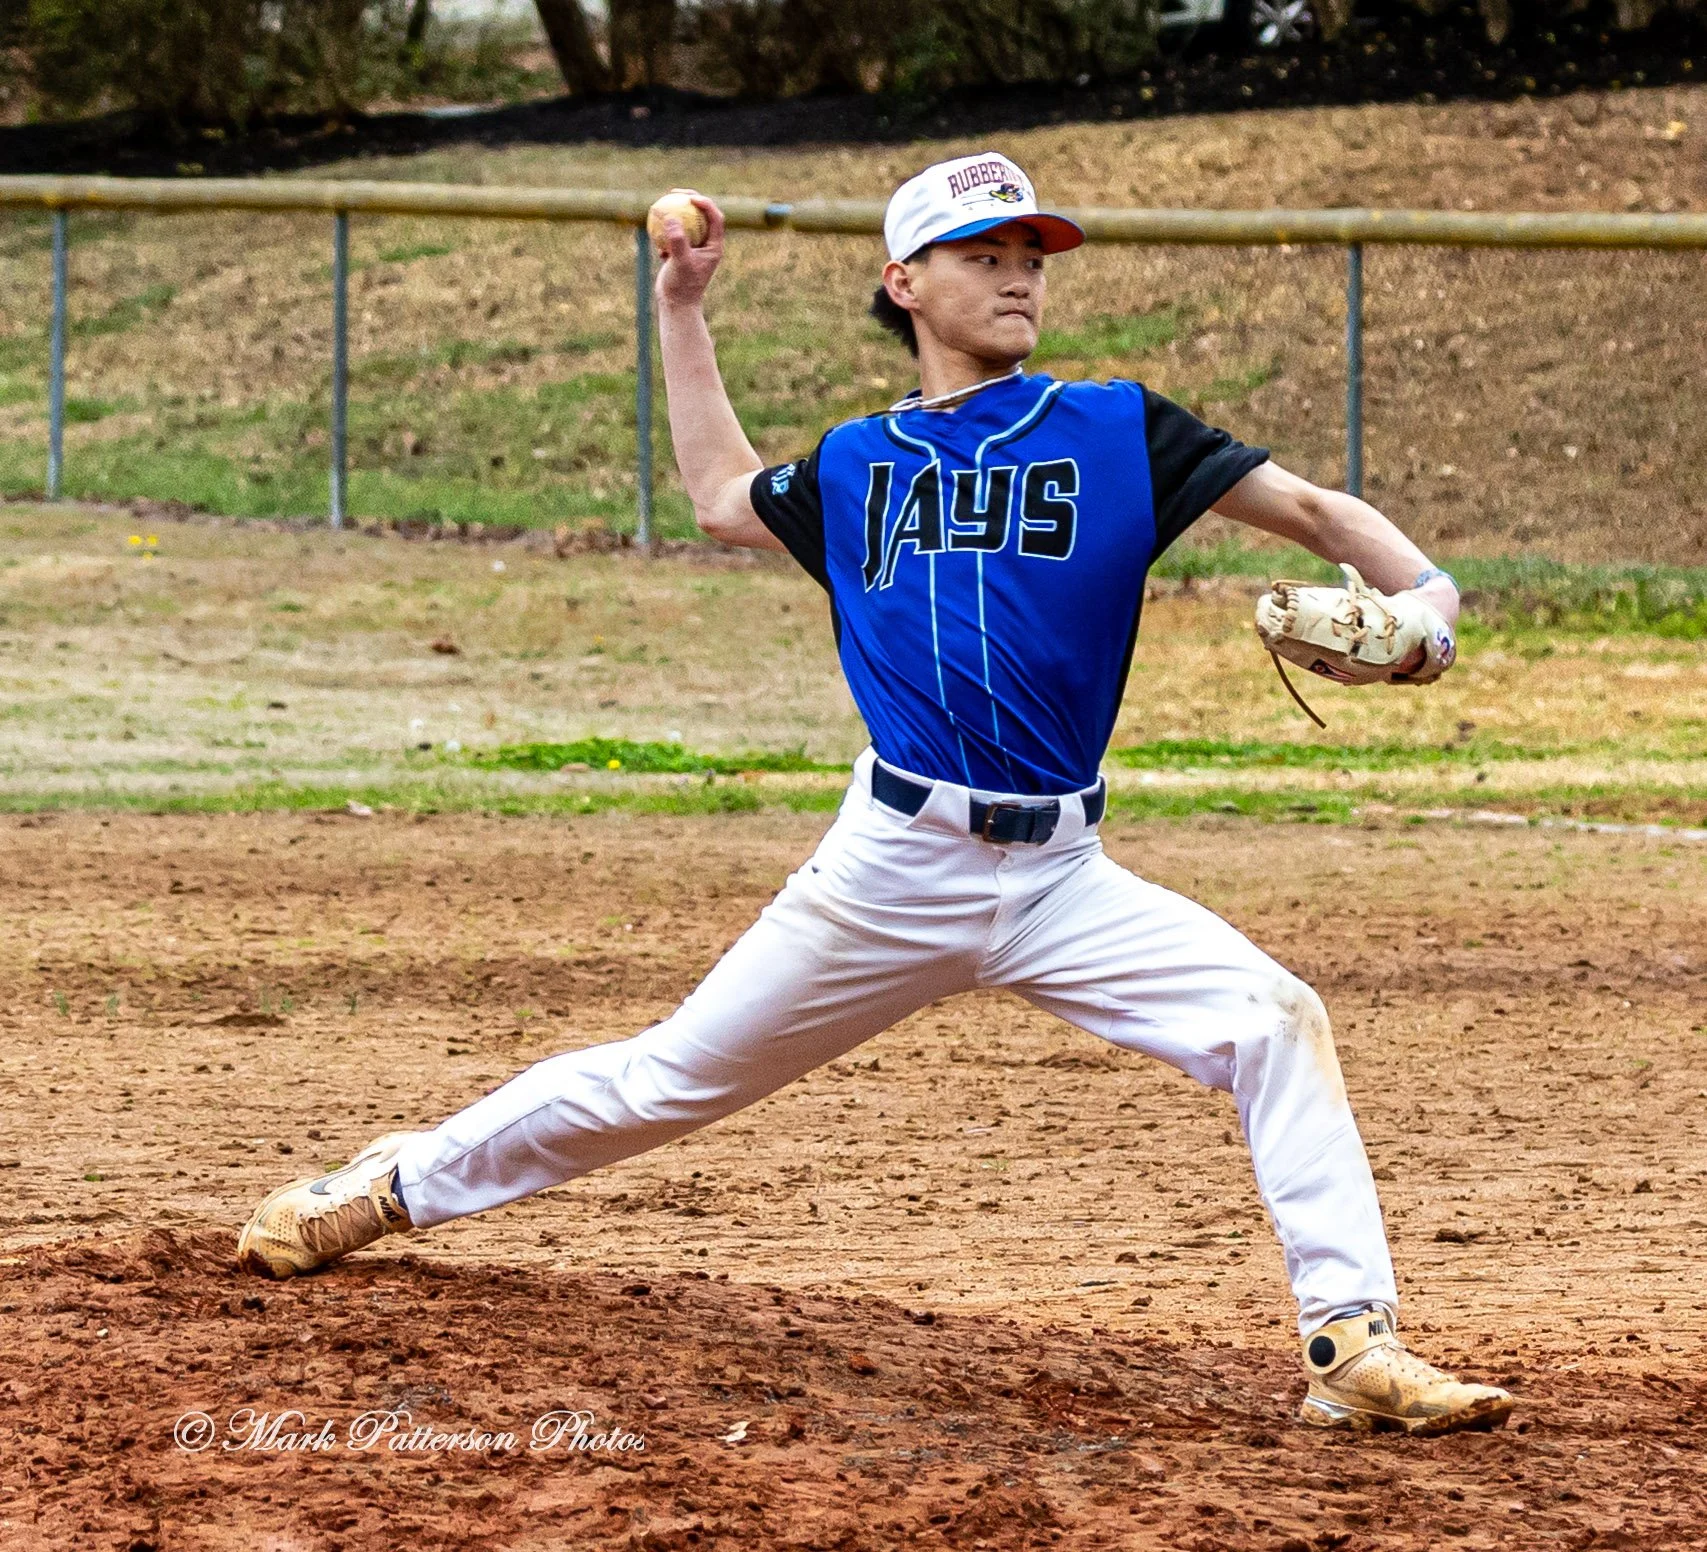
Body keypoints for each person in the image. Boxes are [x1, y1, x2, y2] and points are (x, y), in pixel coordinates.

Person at [238, 152, 1513, 1436]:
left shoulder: (1117, 426)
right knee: (664, 1081)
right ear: (904, 282)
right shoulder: (858, 464)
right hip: (893, 866)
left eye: (1032, 255)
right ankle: (392, 1183)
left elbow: (1312, 508)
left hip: (1064, 877)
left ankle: (1351, 1341)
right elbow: (717, 496)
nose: (1019, 272)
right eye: (983, 252)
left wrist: (1430, 605)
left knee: (1273, 1018)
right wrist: (681, 307)